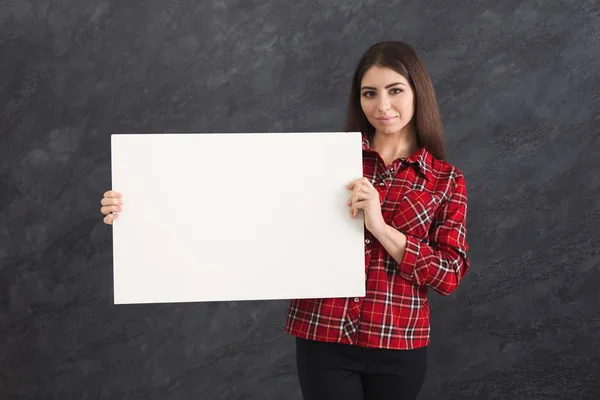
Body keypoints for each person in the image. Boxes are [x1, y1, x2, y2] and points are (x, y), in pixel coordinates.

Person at [100, 40, 470, 400]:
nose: (383, 105)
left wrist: (381, 228)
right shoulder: (319, 161)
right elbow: (235, 202)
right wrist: (138, 208)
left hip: (398, 343)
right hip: (323, 338)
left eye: (395, 90)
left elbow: (449, 274)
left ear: (417, 91)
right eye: (369, 93)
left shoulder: (445, 180)